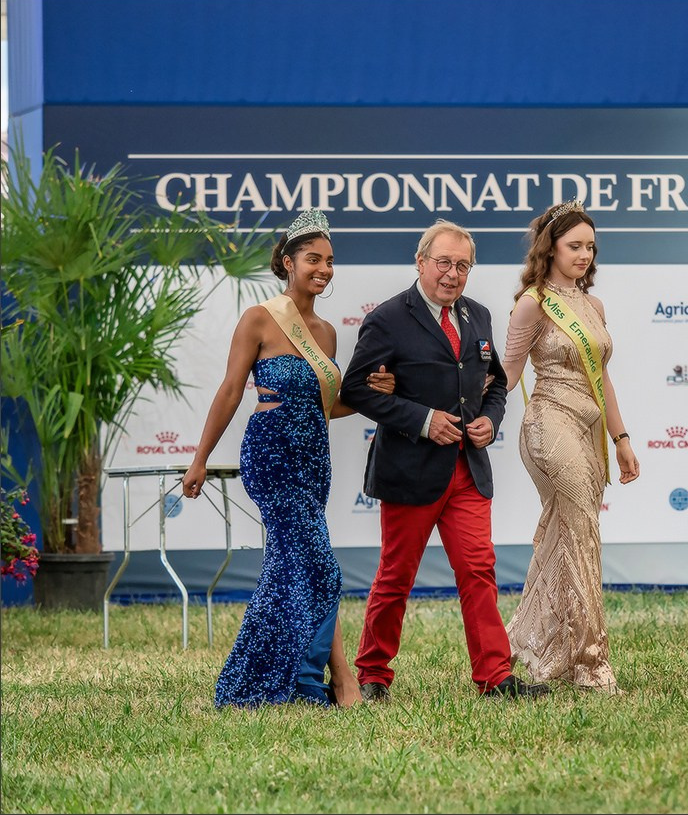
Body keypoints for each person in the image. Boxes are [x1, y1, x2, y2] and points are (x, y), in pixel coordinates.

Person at [182, 208, 394, 709]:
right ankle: (341, 680)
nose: (323, 268)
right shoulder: (260, 317)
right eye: (313, 259)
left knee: (290, 567)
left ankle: (289, 682)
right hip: (272, 455)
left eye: (329, 260)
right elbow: (232, 390)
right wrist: (199, 460)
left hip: (314, 458)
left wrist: (372, 394)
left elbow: (329, 407)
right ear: (287, 261)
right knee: (320, 566)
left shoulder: (326, 333)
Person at [340, 219, 550, 702]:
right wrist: (421, 419)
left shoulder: (477, 315)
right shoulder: (387, 318)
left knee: (479, 570)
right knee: (396, 575)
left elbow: (496, 383)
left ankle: (495, 678)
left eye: (462, 265)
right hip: (410, 470)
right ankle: (372, 674)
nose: (452, 274)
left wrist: (490, 421)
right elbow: (355, 389)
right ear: (421, 262)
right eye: (443, 263)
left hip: (467, 471)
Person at [500, 199, 640, 694]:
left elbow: (602, 377)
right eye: (574, 245)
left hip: (590, 428)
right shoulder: (533, 303)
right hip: (548, 424)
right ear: (550, 248)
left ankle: (532, 643)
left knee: (571, 533)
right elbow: (507, 374)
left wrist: (621, 439)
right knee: (581, 531)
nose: (584, 254)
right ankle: (590, 661)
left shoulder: (592, 306)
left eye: (590, 247)